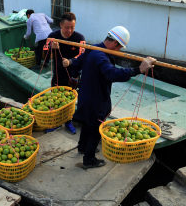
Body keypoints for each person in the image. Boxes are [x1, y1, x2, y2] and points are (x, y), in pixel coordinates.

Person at [62, 26, 156, 169]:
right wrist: (138, 70)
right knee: (95, 129)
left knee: (87, 123)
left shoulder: (93, 48)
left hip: (86, 94)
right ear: (115, 44)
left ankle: (82, 147)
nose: (119, 51)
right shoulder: (100, 56)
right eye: (119, 48)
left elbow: (78, 61)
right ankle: (89, 159)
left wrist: (72, 67)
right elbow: (112, 74)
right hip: (96, 100)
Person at [46, 12, 85, 135]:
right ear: (61, 25)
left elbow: (83, 55)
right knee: (55, 98)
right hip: (58, 73)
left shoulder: (80, 37)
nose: (70, 30)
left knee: (70, 99)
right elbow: (44, 56)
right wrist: (52, 48)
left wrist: (71, 61)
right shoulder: (52, 36)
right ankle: (56, 122)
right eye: (67, 27)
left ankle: (69, 121)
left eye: (72, 27)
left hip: (73, 75)